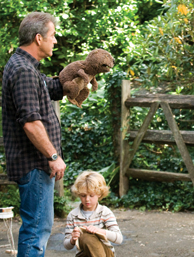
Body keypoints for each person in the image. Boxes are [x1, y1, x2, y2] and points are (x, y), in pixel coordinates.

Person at [2, 12, 66, 257]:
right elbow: (31, 123)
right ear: (38, 38)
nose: (55, 41)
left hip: (33, 164)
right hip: (34, 163)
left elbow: (52, 87)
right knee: (37, 230)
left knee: (36, 227)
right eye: (52, 36)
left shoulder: (26, 67)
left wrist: (84, 72)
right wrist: (53, 155)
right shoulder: (24, 71)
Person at [64, 171, 123, 256]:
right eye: (83, 196)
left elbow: (119, 239)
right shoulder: (73, 215)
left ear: (99, 194)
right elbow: (67, 245)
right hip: (83, 254)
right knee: (84, 237)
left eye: (91, 195)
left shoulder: (105, 212)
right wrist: (72, 239)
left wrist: (99, 231)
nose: (87, 199)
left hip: (105, 253)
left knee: (87, 236)